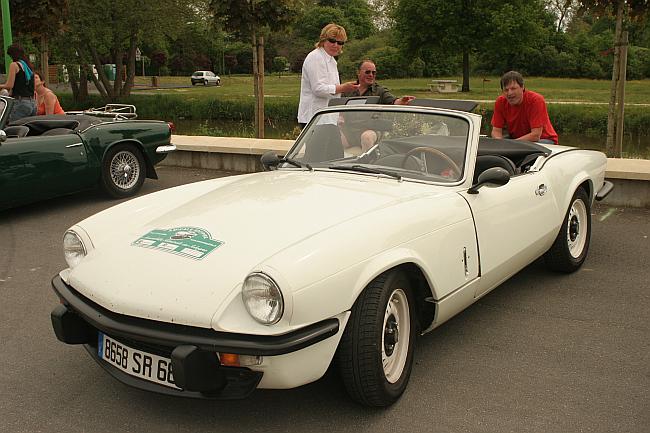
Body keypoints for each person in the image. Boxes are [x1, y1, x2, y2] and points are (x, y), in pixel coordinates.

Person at [341, 59, 415, 152]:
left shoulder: (380, 91)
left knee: (366, 137)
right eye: (367, 72)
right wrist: (340, 117)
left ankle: (365, 164)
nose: (371, 75)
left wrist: (402, 101)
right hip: (350, 130)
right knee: (334, 136)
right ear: (358, 73)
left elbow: (393, 101)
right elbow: (338, 109)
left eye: (373, 73)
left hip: (371, 129)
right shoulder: (348, 89)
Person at [297, 23, 359, 128]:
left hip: (328, 118)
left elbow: (332, 92)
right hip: (314, 118)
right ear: (323, 40)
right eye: (332, 41)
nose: (335, 45)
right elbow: (318, 89)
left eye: (340, 43)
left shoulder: (331, 60)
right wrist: (343, 88)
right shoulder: (316, 57)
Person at [490, 71, 558, 144]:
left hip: (544, 139)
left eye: (513, 89)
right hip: (518, 139)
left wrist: (511, 145)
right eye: (506, 90)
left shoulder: (535, 100)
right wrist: (500, 143)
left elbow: (536, 135)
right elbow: (496, 131)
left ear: (522, 87)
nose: (509, 93)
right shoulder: (500, 102)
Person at [0, 43, 37, 122]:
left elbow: (9, 85)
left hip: (20, 102)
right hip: (32, 103)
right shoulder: (28, 66)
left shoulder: (14, 65)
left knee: (12, 129)